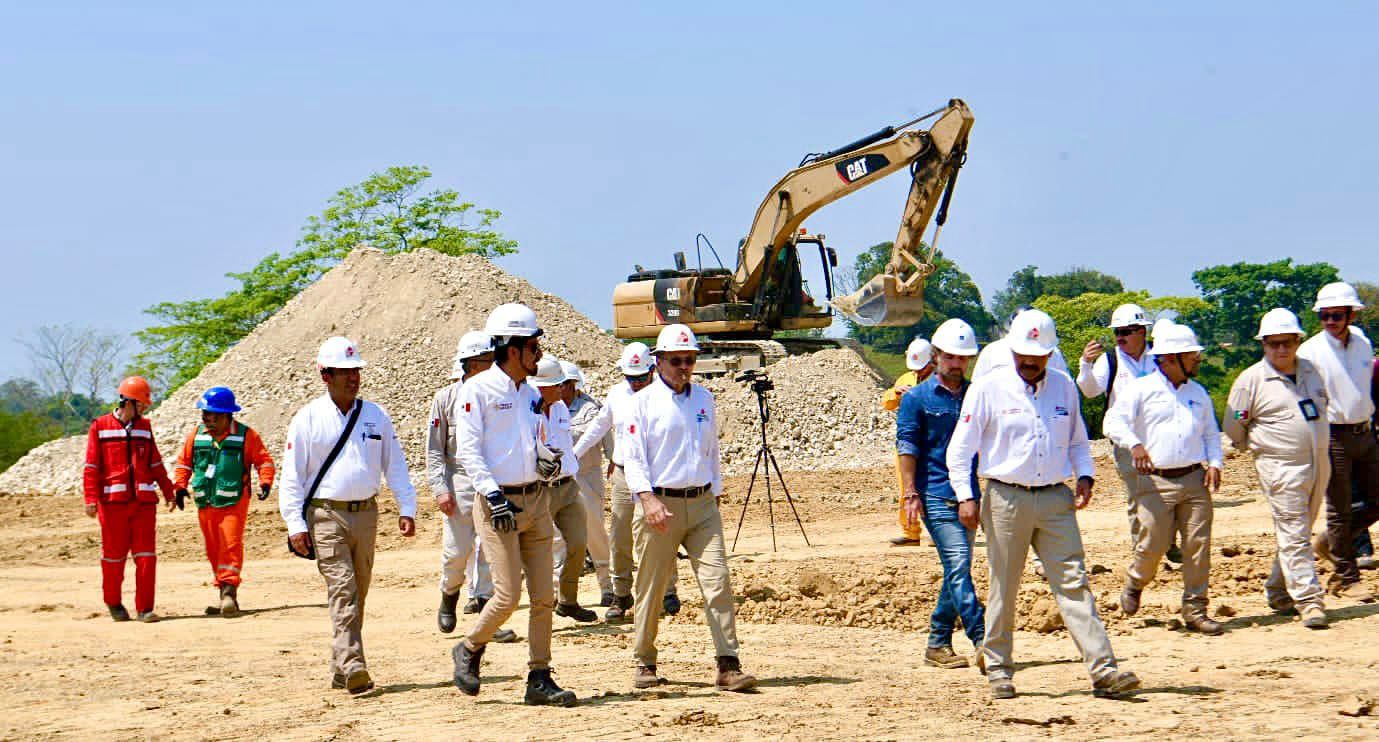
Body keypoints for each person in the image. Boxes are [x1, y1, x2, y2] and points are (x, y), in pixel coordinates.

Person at [948, 309, 1140, 700]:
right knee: (1005, 585)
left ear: (1050, 355)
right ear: (1012, 350)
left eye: (1038, 357)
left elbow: (1076, 441)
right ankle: (999, 667)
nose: (1030, 363)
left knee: (1074, 584)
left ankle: (1104, 671)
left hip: (1055, 498)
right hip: (1005, 497)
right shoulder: (987, 388)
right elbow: (960, 450)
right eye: (1023, 356)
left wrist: (1084, 474)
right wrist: (966, 497)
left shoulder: (1064, 387)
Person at [451, 303, 577, 707]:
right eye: (533, 345)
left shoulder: (528, 394)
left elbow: (527, 440)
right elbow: (469, 451)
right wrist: (491, 494)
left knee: (543, 597)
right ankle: (469, 648)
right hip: (499, 504)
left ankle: (539, 677)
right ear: (512, 347)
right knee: (506, 596)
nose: (539, 353)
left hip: (536, 499)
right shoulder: (476, 391)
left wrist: (544, 455)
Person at [278, 336, 418, 695]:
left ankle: (340, 665)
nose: (354, 378)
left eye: (357, 371)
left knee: (359, 591)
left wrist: (407, 506)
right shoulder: (307, 419)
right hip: (325, 516)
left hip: (367, 514)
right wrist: (295, 523)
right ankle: (355, 666)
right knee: (343, 589)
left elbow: (395, 464)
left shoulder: (375, 415)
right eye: (345, 372)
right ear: (326, 375)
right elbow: (292, 476)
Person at [625, 324, 756, 692]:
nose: (684, 367)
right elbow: (634, 458)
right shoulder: (642, 403)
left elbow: (711, 449)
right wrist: (647, 498)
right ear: (660, 361)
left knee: (718, 583)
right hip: (659, 505)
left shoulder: (704, 399)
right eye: (677, 360)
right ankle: (645, 661)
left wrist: (715, 490)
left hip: (701, 505)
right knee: (650, 587)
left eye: (690, 360)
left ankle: (728, 664)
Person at [1103, 322, 1225, 635]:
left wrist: (1214, 462)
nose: (1198, 360)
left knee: (1198, 545)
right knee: (1152, 545)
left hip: (1194, 480)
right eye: (1191, 355)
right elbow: (1112, 422)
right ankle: (1136, 581)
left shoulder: (1198, 393)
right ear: (1170, 359)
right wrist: (1135, 444)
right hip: (1155, 483)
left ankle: (1195, 609)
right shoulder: (1140, 391)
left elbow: (1211, 433)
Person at [1224, 308, 1331, 629]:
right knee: (1295, 532)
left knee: (1297, 531)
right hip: (1279, 466)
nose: (1281, 349)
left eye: (1287, 342)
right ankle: (1309, 601)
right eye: (1273, 343)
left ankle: (1277, 588)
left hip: (1318, 462)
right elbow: (1235, 424)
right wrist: (1254, 446)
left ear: (1298, 341)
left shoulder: (1312, 371)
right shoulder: (1251, 380)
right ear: (1264, 344)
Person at [569, 342, 679, 622]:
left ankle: (667, 591)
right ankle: (621, 593)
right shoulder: (617, 394)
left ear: (653, 371)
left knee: (660, 532)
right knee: (619, 535)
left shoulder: (665, 396)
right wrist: (573, 456)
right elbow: (598, 427)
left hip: (655, 475)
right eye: (631, 378)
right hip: (623, 473)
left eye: (641, 377)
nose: (636, 383)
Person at [896, 319, 983, 668]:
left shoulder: (977, 394)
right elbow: (907, 446)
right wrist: (909, 493)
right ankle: (983, 640)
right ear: (936, 356)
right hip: (934, 494)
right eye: (950, 357)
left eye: (963, 358)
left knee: (954, 569)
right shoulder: (916, 398)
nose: (957, 364)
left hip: (970, 496)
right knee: (960, 565)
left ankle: (937, 642)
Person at [427, 331, 513, 641]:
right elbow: (435, 449)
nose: (492, 366)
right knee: (457, 552)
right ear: (468, 365)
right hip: (460, 481)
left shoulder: (502, 394)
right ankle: (449, 595)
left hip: (494, 480)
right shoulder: (446, 399)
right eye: (485, 361)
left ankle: (491, 618)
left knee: (493, 552)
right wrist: (440, 488)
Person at [1298, 282, 1379, 602]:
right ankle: (1347, 576)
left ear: (1351, 315)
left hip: (1365, 431)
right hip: (1332, 435)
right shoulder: (1310, 352)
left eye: (1336, 315)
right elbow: (1302, 398)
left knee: (1376, 500)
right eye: (1325, 315)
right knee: (1339, 508)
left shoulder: (1362, 343)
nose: (1330, 321)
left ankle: (1330, 542)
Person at [171, 386, 276, 617]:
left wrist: (266, 481)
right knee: (213, 549)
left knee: (230, 544)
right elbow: (183, 463)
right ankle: (224, 595)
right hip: (205, 501)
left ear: (228, 415)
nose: (208, 419)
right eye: (205, 415)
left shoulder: (246, 436)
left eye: (213, 415)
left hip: (233, 502)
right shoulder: (196, 436)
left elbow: (264, 461)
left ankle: (229, 592)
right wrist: (179, 486)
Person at [82, 376, 177, 623]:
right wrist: (90, 498)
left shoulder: (145, 427)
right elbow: (92, 466)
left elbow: (155, 462)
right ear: (128, 401)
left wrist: (169, 492)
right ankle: (113, 602)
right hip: (112, 505)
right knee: (113, 557)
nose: (145, 409)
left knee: (146, 557)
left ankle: (145, 609)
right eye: (141, 404)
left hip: (144, 504)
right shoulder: (100, 426)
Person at [1076, 303, 1165, 556]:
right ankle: (1143, 550)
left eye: (1126, 331)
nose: (1120, 338)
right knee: (1137, 497)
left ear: (1142, 332)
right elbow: (1091, 391)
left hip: (1159, 439)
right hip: (1127, 443)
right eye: (1117, 332)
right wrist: (1086, 364)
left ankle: (1166, 541)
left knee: (1167, 493)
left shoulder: (1159, 357)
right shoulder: (1110, 360)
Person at [531, 355, 599, 622]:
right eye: (556, 384)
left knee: (579, 543)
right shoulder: (525, 411)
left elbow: (565, 446)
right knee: (542, 551)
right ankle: (544, 606)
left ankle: (568, 601)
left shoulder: (559, 408)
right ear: (539, 386)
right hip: (540, 489)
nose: (562, 389)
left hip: (568, 486)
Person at [560, 359, 615, 605]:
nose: (557, 389)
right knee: (556, 538)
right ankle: (558, 593)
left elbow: (605, 438)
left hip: (587, 477)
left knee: (595, 532)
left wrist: (615, 460)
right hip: (558, 480)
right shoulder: (545, 408)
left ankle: (607, 586)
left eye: (562, 384)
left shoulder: (591, 408)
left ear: (572, 384)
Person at [885, 337, 935, 546]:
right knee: (907, 488)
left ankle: (937, 533)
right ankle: (910, 533)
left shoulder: (942, 379)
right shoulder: (905, 378)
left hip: (932, 442)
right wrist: (895, 393)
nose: (918, 372)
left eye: (921, 367)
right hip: (908, 442)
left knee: (934, 488)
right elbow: (887, 403)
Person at [972, 306, 1071, 380]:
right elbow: (977, 384)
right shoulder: (992, 351)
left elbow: (1064, 383)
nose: (1030, 360)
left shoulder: (1054, 352)